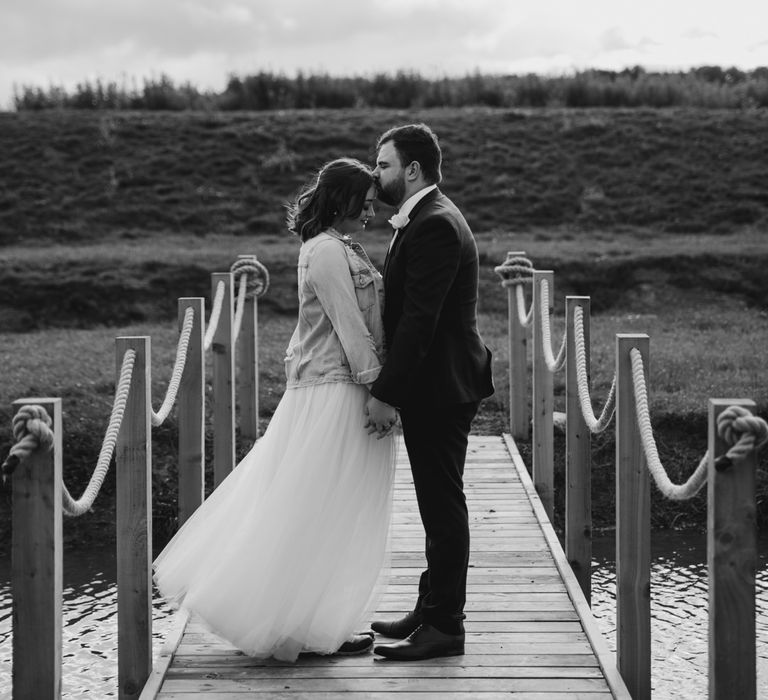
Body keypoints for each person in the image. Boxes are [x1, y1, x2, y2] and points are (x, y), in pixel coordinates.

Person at [153, 157, 397, 661]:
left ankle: (314, 622)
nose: (371, 213)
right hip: (335, 390)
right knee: (316, 507)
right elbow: (348, 326)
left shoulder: (339, 246)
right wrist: (380, 390)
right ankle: (287, 624)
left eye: (374, 205)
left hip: (338, 385)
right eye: (365, 204)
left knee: (328, 509)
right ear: (340, 200)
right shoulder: (327, 251)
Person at [365, 123, 494, 661]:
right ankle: (431, 605)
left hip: (440, 386)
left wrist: (386, 393)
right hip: (438, 382)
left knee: (442, 507)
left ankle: (445, 627)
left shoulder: (435, 224)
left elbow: (421, 321)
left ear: (412, 169)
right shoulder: (426, 215)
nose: (377, 174)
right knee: (436, 505)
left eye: (384, 165)